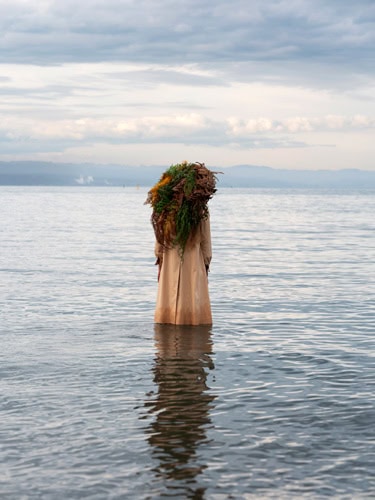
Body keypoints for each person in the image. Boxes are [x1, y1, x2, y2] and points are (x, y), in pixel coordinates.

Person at [145, 161, 217, 325]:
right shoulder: (200, 210)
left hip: (169, 259)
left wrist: (160, 259)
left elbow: (159, 239)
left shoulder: (164, 209)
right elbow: (206, 243)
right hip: (193, 261)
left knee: (167, 306)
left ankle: (168, 337)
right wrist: (206, 264)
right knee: (192, 302)